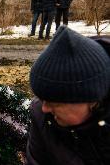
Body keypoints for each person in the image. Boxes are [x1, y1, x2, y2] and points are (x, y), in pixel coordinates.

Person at [26, 26, 110, 165]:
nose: (44, 108)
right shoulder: (40, 115)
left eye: (55, 103)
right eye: (42, 99)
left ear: (93, 100)